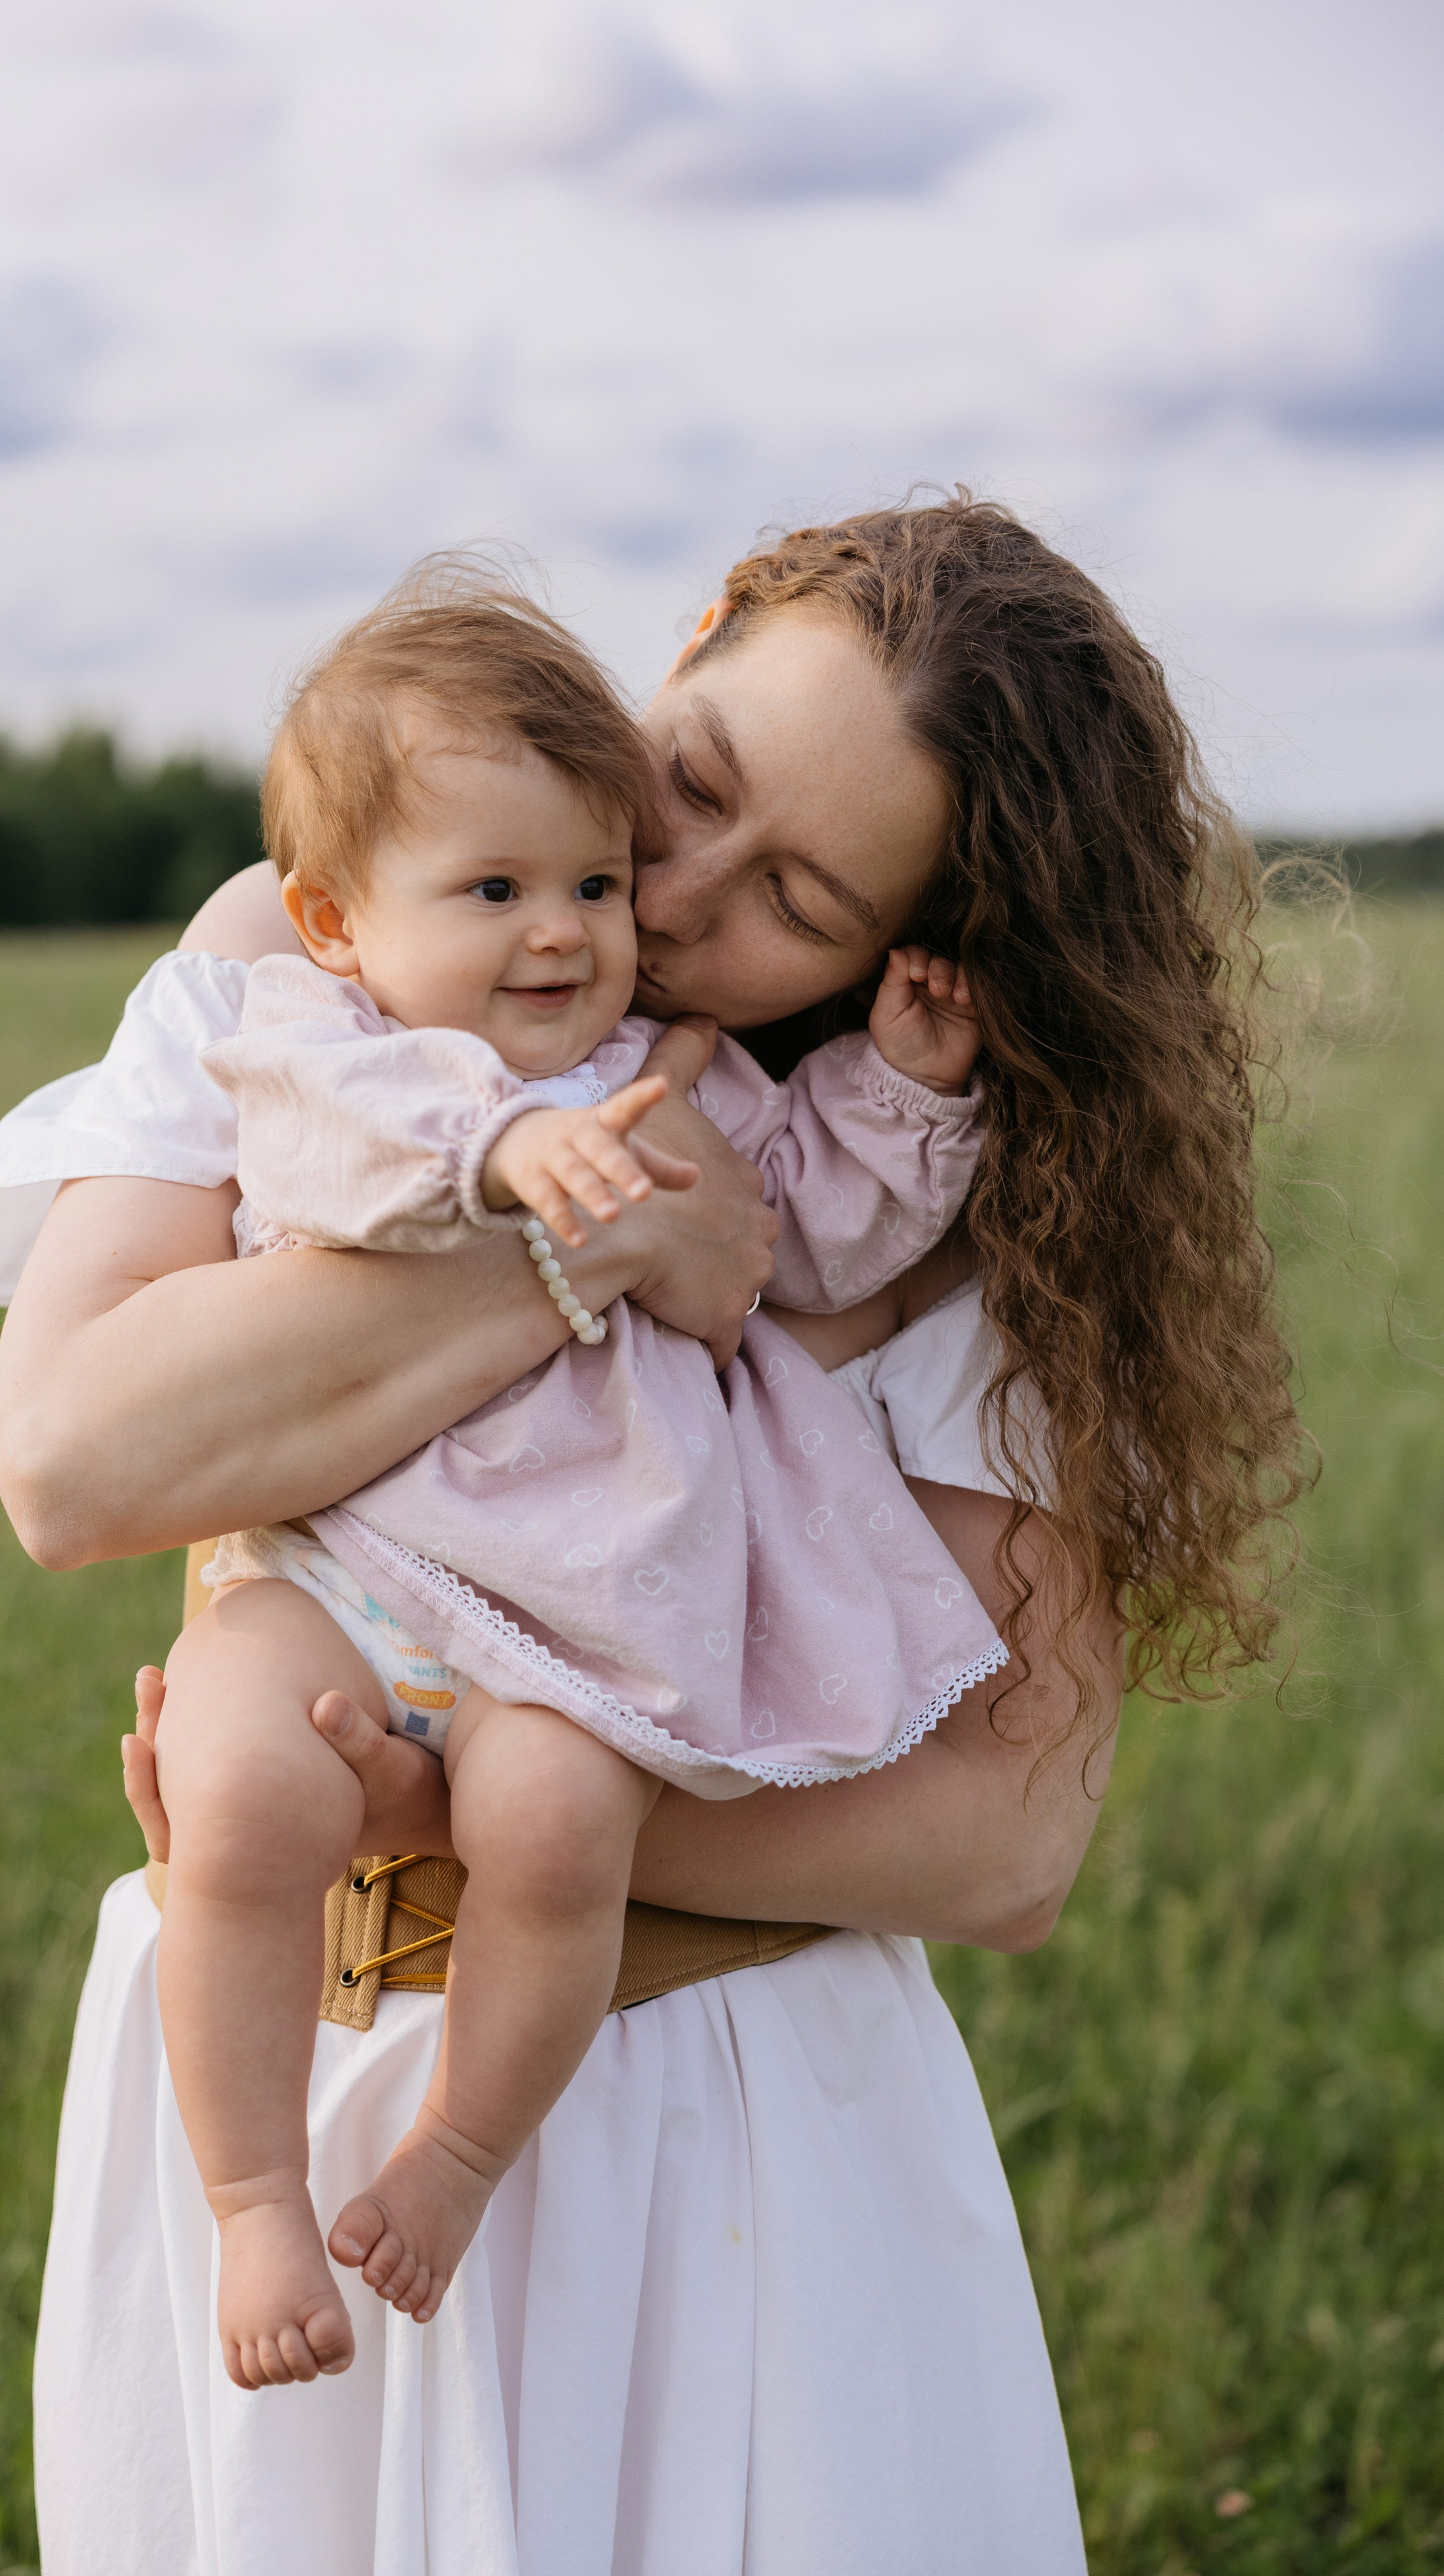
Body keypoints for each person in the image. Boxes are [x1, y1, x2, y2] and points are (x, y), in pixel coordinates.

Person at [0, 496, 1304, 2576]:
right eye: (699, 780)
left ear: (909, 947)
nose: (665, 887)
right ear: (702, 624)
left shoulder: (958, 1168)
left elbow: (1001, 1839)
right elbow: (77, 1464)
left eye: (797, 898)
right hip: (274, 2073)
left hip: (700, 2116)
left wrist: (450, 1810)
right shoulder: (306, 948)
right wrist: (610, 1248)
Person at [144, 568, 1003, 2381]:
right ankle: (251, 2199)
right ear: (340, 921)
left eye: (590, 885)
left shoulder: (668, 1074)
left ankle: (458, 2155)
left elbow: (816, 1235)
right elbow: (351, 1150)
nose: (568, 934)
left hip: (574, 1624)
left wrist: (909, 1099)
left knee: (554, 1832)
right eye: (496, 891)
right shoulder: (331, 1037)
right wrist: (518, 1143)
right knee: (235, 1791)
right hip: (344, 1579)